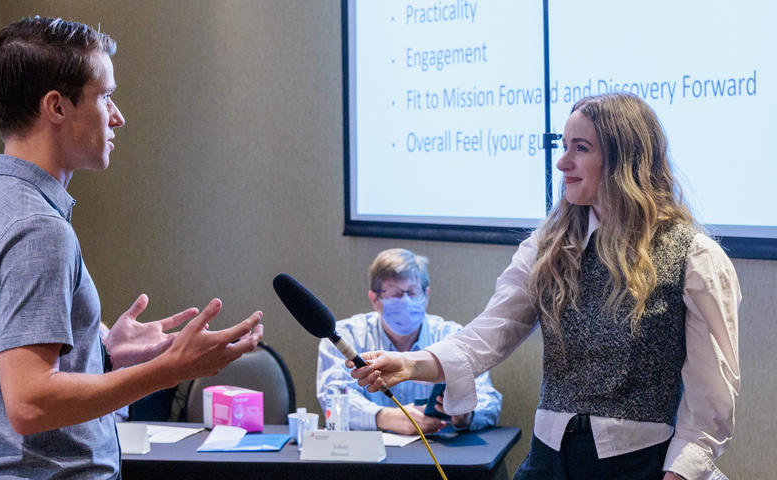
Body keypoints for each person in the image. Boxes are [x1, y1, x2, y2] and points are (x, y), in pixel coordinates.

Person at [350, 92, 741, 480]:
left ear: (625, 160)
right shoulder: (547, 247)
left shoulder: (695, 258)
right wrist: (408, 365)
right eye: (564, 145)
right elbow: (487, 336)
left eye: (581, 148)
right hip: (547, 462)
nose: (562, 162)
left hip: (638, 465)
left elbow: (710, 405)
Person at [0, 16, 264, 479]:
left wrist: (104, 354)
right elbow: (29, 404)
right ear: (56, 107)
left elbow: (13, 380)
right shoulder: (38, 228)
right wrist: (170, 369)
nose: (118, 116)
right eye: (105, 97)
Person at [316, 248, 502, 433]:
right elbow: (333, 397)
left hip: (438, 450)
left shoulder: (452, 336)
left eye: (412, 293)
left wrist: (465, 415)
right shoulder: (344, 337)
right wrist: (386, 417)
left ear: (426, 295)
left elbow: (489, 401)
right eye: (395, 294)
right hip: (369, 454)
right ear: (375, 299)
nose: (405, 301)